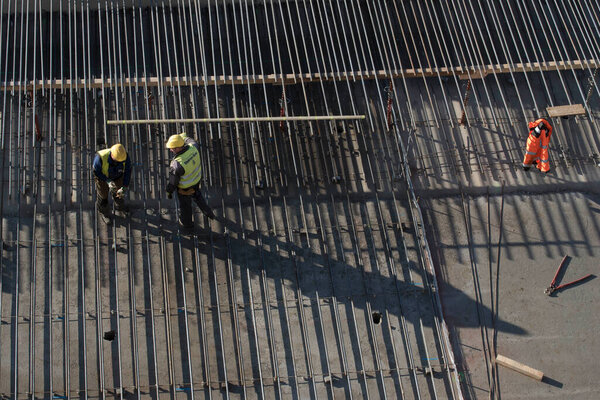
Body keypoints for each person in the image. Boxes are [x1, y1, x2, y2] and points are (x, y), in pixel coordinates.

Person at [166, 132, 215, 231]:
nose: (171, 150)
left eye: (173, 148)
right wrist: (181, 136)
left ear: (179, 147)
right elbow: (188, 139)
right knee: (198, 196)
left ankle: (187, 223)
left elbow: (173, 182)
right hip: (196, 180)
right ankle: (208, 212)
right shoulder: (194, 147)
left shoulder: (176, 164)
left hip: (185, 188)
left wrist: (169, 191)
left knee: (185, 206)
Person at [93, 143, 131, 220]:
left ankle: (120, 206)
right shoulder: (100, 158)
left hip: (118, 176)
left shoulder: (124, 157)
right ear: (112, 155)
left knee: (120, 193)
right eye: (117, 160)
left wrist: (125, 186)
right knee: (103, 196)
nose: (118, 162)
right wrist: (107, 181)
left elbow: (128, 171)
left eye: (120, 161)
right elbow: (96, 172)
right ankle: (104, 213)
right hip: (102, 178)